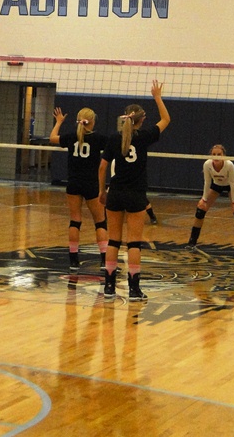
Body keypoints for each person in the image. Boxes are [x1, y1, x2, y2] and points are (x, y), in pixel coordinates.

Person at [98, 80, 170, 301]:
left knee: (113, 241)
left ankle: (109, 288)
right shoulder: (145, 137)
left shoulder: (113, 138)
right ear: (142, 120)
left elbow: (102, 167)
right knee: (134, 243)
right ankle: (134, 290)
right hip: (136, 194)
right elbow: (166, 119)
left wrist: (102, 191)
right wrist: (157, 96)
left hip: (116, 192)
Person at [49, 106, 109, 271]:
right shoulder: (98, 139)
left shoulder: (70, 137)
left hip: (74, 183)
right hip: (92, 185)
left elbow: (52, 138)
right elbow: (116, 145)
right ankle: (104, 260)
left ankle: (73, 260)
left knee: (75, 220)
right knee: (100, 222)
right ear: (93, 121)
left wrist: (59, 122)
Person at [186, 144, 234, 253]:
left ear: (224, 155)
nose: (216, 157)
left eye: (219, 154)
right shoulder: (207, 164)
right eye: (214, 154)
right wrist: (204, 199)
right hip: (216, 185)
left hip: (231, 186)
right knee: (200, 211)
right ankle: (192, 242)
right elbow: (207, 182)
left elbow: (232, 183)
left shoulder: (229, 165)